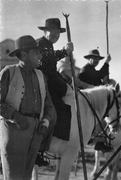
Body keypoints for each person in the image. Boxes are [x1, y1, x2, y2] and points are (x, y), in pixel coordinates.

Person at [0, 35, 56, 179]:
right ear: (24, 54)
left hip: (36, 134)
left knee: (26, 176)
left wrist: (45, 122)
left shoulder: (41, 76)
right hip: (15, 132)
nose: (40, 55)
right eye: (36, 52)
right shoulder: (8, 72)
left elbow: (49, 105)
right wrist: (15, 116)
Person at [36, 18, 74, 164]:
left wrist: (67, 81)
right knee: (52, 109)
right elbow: (43, 60)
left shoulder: (50, 45)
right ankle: (41, 147)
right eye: (52, 32)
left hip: (50, 80)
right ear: (45, 31)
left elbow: (52, 68)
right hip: (41, 82)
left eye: (58, 33)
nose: (55, 35)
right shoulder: (39, 43)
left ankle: (57, 139)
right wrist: (64, 51)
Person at [78, 49, 113, 152]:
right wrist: (106, 62)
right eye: (94, 58)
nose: (97, 60)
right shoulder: (86, 69)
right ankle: (99, 141)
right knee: (100, 115)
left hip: (89, 98)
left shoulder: (91, 70)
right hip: (86, 100)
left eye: (98, 58)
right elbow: (98, 76)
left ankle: (99, 140)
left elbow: (98, 79)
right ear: (89, 59)